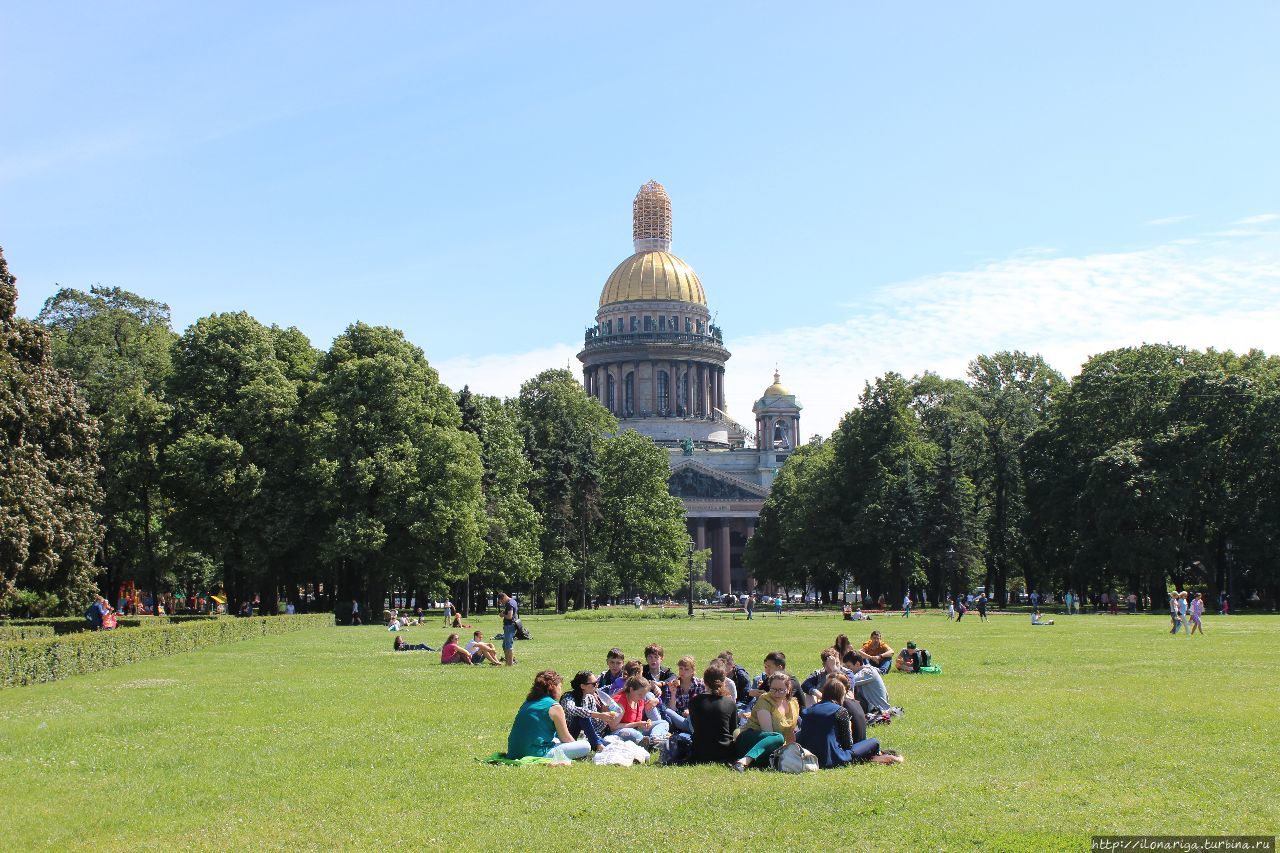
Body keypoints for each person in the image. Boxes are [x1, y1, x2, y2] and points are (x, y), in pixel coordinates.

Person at [797, 679, 897, 768]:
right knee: (874, 742)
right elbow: (847, 744)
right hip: (833, 758)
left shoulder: (808, 711)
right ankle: (875, 758)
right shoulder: (840, 711)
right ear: (840, 695)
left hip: (809, 757)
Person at [506, 670, 593, 761]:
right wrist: (575, 746)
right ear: (553, 687)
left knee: (555, 739)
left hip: (514, 752)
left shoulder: (527, 703)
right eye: (560, 687)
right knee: (585, 745)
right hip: (536, 753)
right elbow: (565, 738)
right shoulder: (555, 706)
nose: (561, 690)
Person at [732, 672, 798, 771]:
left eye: (781, 690)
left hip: (772, 746)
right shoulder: (764, 700)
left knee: (773, 753)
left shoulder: (793, 704)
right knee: (778, 737)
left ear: (788, 690)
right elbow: (768, 732)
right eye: (773, 689)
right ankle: (743, 761)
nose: (776, 693)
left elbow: (791, 732)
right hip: (750, 738)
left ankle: (758, 761)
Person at [687, 665, 738, 765]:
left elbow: (695, 726)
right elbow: (733, 730)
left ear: (704, 682)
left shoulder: (694, 701)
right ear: (724, 682)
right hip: (724, 752)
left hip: (699, 752)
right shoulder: (729, 703)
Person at [560, 671, 621, 751]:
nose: (597, 685)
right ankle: (598, 745)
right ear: (582, 686)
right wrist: (599, 715)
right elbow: (571, 710)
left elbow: (594, 726)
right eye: (594, 684)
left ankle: (598, 744)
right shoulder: (568, 697)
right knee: (581, 716)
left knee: (614, 746)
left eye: (597, 682)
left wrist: (605, 719)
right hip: (568, 735)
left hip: (586, 737)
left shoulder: (590, 698)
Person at [611, 676, 670, 746]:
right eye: (640, 694)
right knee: (629, 732)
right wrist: (637, 724)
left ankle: (654, 739)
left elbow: (638, 723)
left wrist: (645, 724)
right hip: (621, 731)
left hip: (637, 730)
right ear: (631, 690)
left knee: (663, 723)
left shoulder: (639, 700)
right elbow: (613, 727)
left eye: (644, 695)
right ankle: (652, 741)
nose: (642, 697)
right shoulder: (620, 702)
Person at [662, 655, 705, 734]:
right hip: (678, 716)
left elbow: (703, 706)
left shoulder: (700, 684)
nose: (682, 671)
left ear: (693, 671)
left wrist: (691, 711)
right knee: (667, 712)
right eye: (681, 668)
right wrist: (673, 693)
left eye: (686, 669)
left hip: (694, 717)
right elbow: (672, 710)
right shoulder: (673, 684)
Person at [498, 592, 518, 665]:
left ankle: (510, 664)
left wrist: (502, 615)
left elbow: (509, 616)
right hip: (510, 626)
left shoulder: (509, 604)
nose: (502, 603)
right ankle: (509, 661)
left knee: (508, 645)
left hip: (509, 626)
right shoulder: (513, 601)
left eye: (502, 601)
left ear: (504, 597)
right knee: (505, 645)